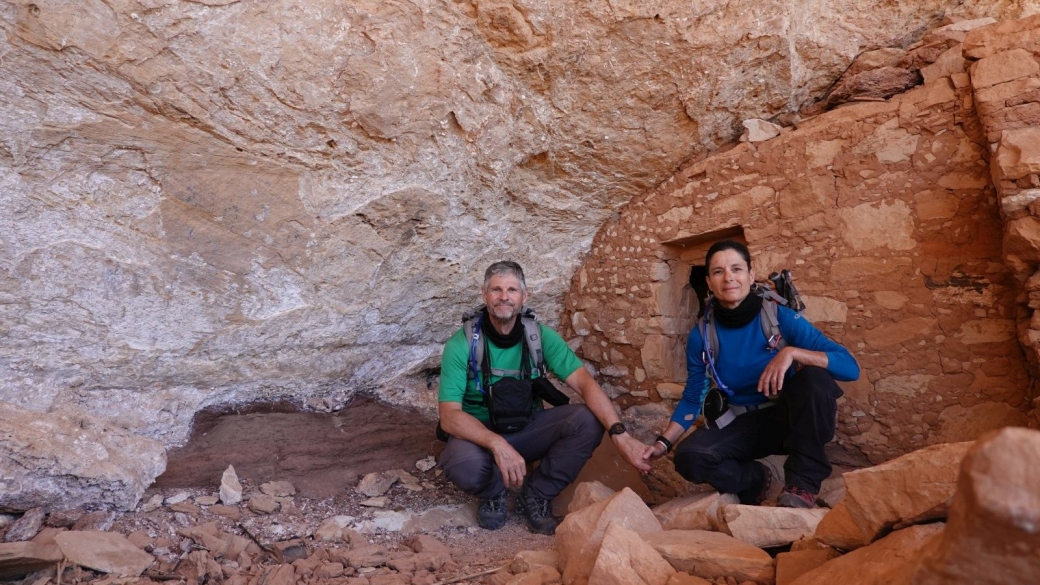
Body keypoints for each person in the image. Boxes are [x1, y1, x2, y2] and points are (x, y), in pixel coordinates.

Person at [642, 240, 860, 508]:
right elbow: (691, 398)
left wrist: (792, 352)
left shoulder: (780, 318)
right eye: (719, 271)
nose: (729, 277)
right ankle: (755, 480)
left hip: (791, 418)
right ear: (709, 282)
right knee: (690, 457)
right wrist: (663, 444)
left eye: (736, 269)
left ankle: (801, 484)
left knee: (816, 380)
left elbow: (850, 367)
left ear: (750, 275)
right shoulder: (702, 335)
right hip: (745, 425)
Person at [438, 261, 651, 534]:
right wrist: (496, 443)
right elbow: (449, 416)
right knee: (461, 464)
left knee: (586, 420)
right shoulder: (462, 344)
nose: (504, 296)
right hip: (480, 434)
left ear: (524, 296)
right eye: (496, 290)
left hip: (527, 428)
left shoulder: (539, 337)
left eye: (512, 289)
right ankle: (493, 492)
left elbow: (584, 383)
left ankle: (537, 492)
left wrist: (620, 434)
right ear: (484, 295)